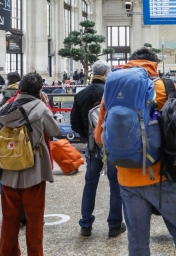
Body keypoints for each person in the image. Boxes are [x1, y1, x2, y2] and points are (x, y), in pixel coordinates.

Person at [94, 47, 176, 256]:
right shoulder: (166, 87)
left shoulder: (112, 91)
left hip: (127, 179)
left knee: (138, 243)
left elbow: (99, 137)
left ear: (130, 63)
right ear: (153, 65)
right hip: (164, 175)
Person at [0, 72, 59, 256]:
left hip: (8, 171)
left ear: (20, 88)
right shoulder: (41, 108)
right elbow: (54, 129)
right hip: (34, 171)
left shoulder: (8, 107)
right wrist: (46, 106)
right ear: (39, 90)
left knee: (9, 218)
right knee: (35, 220)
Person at [70, 60, 125, 238]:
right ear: (107, 73)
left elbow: (74, 123)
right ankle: (115, 224)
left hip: (93, 147)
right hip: (112, 146)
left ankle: (86, 224)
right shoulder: (112, 93)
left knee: (90, 183)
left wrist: (89, 137)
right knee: (115, 183)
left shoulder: (80, 95)